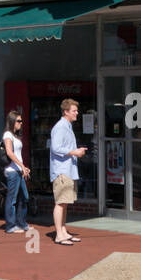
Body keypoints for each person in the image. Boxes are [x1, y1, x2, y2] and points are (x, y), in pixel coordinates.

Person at [50, 99, 88, 244]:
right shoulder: (60, 127)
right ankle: (59, 234)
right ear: (66, 112)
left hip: (68, 170)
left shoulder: (67, 126)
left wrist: (76, 152)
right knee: (60, 202)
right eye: (74, 111)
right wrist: (74, 152)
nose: (77, 113)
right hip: (62, 171)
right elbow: (56, 148)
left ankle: (63, 231)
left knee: (65, 202)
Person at [2, 109, 30, 233]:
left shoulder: (15, 136)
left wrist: (23, 167)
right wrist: (22, 166)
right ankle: (10, 225)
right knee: (12, 198)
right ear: (12, 121)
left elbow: (18, 154)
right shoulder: (7, 135)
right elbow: (9, 152)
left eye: (21, 121)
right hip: (12, 171)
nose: (21, 123)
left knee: (24, 197)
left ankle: (21, 223)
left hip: (18, 170)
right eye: (18, 121)